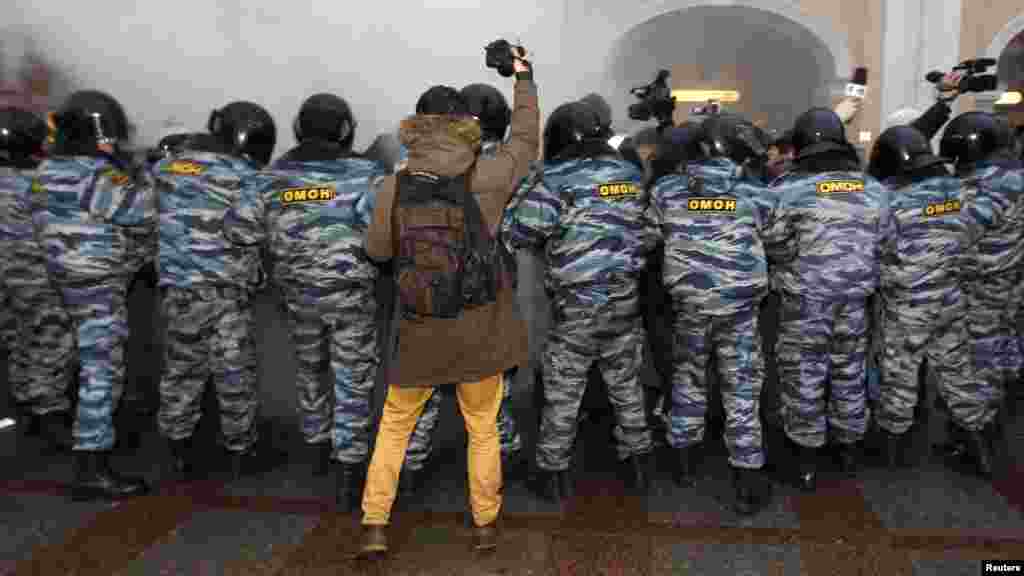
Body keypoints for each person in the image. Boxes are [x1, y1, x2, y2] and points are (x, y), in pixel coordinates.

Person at [359, 45, 538, 555]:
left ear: (417, 126)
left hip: (417, 329)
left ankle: (374, 525)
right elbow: (526, 137)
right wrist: (523, 75)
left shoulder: (393, 187)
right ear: (465, 126)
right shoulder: (490, 176)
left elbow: (377, 251)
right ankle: (484, 524)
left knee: (394, 427)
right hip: (479, 328)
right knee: (483, 428)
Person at [223, 93, 386, 510]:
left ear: (298, 129)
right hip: (351, 297)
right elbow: (386, 232)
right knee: (352, 379)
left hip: (298, 297)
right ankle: (349, 471)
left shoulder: (270, 178)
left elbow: (238, 230)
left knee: (310, 370)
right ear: (346, 130)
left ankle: (315, 446)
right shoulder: (367, 174)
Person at [503, 100, 657, 504]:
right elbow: (652, 231)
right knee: (626, 385)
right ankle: (639, 464)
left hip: (576, 308)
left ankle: (554, 474)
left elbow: (518, 232)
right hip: (625, 300)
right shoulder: (629, 174)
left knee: (563, 391)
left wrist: (526, 188)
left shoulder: (555, 179)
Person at [398, 82, 526, 492]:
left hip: (429, 287)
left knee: (425, 385)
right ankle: (498, 464)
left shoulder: (422, 168)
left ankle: (410, 464)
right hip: (488, 290)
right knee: (490, 386)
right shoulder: (505, 168)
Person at [31, 90, 156, 500]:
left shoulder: (46, 171)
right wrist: (150, 175)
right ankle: (92, 464)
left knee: (77, 358)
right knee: (102, 370)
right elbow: (142, 210)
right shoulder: (95, 175)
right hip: (97, 283)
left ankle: (69, 432)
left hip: (63, 277)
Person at [648, 115, 773, 515]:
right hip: (738, 310)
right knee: (741, 389)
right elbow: (780, 237)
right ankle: (747, 478)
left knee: (687, 380)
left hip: (689, 307)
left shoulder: (666, 191)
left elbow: (647, 235)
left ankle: (684, 461)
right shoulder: (757, 194)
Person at [762, 107, 887, 491]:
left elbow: (774, 245)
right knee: (849, 371)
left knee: (804, 376)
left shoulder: (785, 190)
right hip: (855, 301)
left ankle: (807, 459)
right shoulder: (876, 190)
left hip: (804, 303)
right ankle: (849, 448)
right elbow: (886, 243)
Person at [152, 101, 276, 481]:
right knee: (234, 372)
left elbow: (144, 217)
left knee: (181, 370)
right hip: (224, 292)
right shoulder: (247, 176)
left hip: (178, 290)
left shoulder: (167, 167)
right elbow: (249, 231)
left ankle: (177, 449)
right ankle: (240, 450)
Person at [866, 125, 975, 468]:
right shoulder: (960, 192)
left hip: (907, 303)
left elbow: (876, 248)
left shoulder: (891, 200)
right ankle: (979, 444)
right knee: (957, 370)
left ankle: (893, 452)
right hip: (950, 297)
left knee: (899, 375)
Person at [937, 111, 1021, 478]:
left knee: (962, 365)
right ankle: (984, 435)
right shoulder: (1016, 179)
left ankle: (978, 446)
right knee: (994, 359)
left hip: (974, 290)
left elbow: (951, 233)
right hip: (1009, 286)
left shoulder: (979, 189)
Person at [0, 106, 74, 451]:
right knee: (50, 337)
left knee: (17, 337)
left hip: (9, 278)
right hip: (33, 274)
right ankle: (47, 409)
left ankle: (24, 402)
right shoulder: (40, 180)